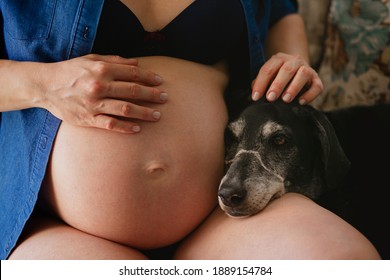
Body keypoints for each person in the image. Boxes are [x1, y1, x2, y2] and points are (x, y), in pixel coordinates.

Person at [0, 0, 380, 260]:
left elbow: (282, 10)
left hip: (226, 214)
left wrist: (290, 60)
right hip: (60, 224)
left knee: (346, 262)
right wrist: (44, 83)